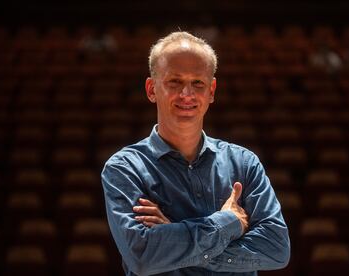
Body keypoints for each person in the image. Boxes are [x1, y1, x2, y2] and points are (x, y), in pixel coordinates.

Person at [101, 31, 290, 276]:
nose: (186, 94)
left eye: (197, 83)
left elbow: (277, 249)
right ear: (151, 89)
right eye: (174, 82)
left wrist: (176, 237)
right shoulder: (124, 168)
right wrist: (228, 223)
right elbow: (143, 256)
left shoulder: (244, 163)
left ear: (211, 90)